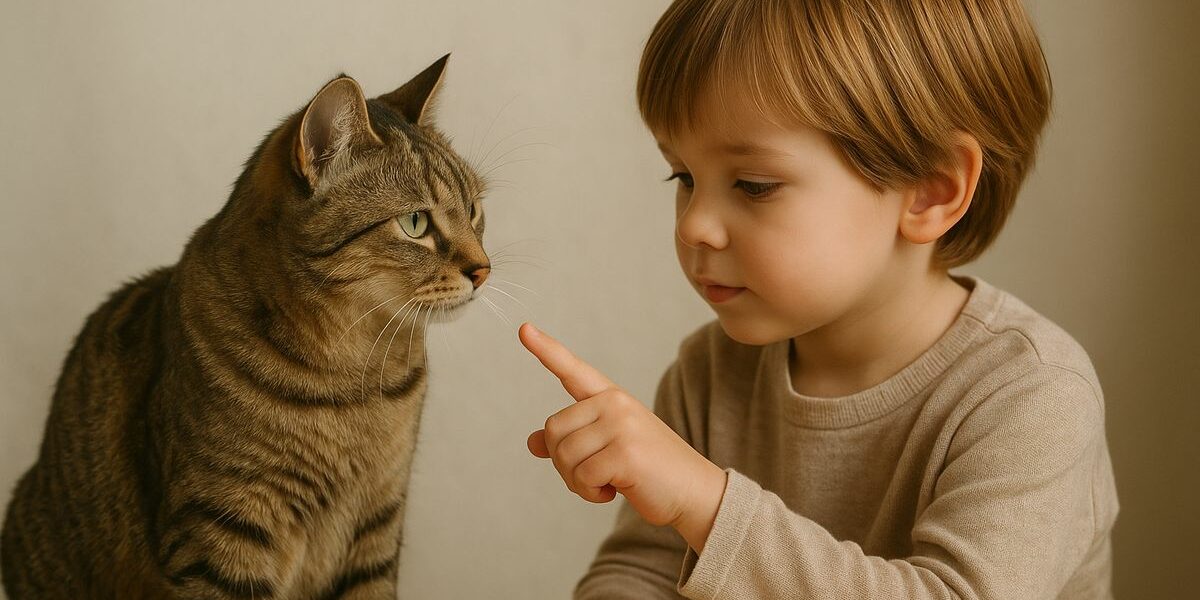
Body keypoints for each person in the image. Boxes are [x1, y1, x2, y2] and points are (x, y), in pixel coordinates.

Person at [518, 0, 1119, 597]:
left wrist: (704, 501)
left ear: (930, 190)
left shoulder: (1032, 393)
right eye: (683, 177)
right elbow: (643, 570)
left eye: (755, 186)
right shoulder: (709, 373)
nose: (694, 225)